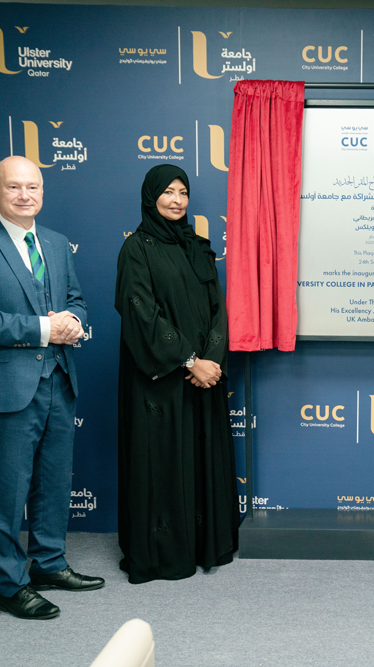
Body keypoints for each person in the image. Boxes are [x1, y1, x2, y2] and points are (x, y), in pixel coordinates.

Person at [0, 155, 102, 620]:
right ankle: (10, 585)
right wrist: (43, 329)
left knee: (54, 484)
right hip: (7, 388)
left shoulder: (55, 243)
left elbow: (74, 299)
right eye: (13, 187)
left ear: (42, 191)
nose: (24, 195)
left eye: (32, 187)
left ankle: (49, 564)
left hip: (59, 380)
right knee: (8, 492)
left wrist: (74, 321)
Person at [115, 164, 239, 584]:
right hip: (161, 385)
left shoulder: (198, 245)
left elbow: (219, 309)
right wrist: (189, 361)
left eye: (183, 192)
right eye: (167, 192)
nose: (176, 200)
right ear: (151, 196)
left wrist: (212, 360)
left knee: (201, 459)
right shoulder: (137, 249)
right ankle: (166, 553)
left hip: (205, 378)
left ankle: (206, 544)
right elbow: (140, 314)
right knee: (163, 464)